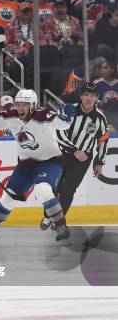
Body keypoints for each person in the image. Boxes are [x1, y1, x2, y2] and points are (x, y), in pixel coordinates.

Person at [0, 89, 77, 244]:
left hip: (49, 161)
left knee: (43, 190)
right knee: (9, 197)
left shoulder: (43, 115)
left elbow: (60, 123)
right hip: (26, 165)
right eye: (19, 104)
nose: (21, 108)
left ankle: (62, 226)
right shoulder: (13, 116)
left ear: (33, 106)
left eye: (25, 105)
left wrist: (67, 117)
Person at [40, 83, 109, 229]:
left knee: (68, 190)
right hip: (61, 154)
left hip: (82, 160)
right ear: (81, 95)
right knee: (54, 187)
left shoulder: (100, 118)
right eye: (86, 95)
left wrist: (100, 162)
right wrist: (75, 150)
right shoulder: (68, 110)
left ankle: (58, 220)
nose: (89, 98)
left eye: (92, 96)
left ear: (97, 98)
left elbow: (103, 141)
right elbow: (57, 132)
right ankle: (47, 216)